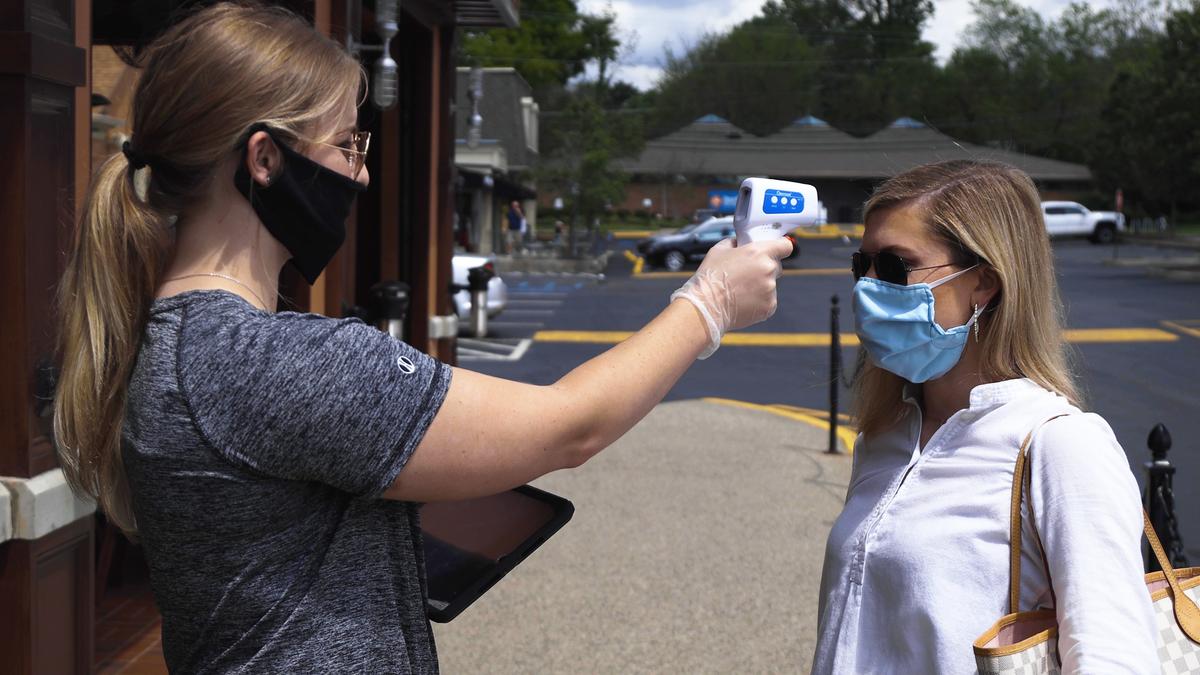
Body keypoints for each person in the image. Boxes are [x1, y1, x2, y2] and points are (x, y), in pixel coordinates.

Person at [51, 4, 791, 673]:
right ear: (264, 159)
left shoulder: (172, 343)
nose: (363, 175)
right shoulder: (277, 361)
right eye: (346, 143)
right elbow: (572, 426)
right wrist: (711, 300)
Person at [812, 160, 1157, 673]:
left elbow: (1115, 656)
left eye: (893, 267)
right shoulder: (886, 437)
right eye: (861, 265)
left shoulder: (1060, 446)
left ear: (985, 283)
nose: (867, 288)